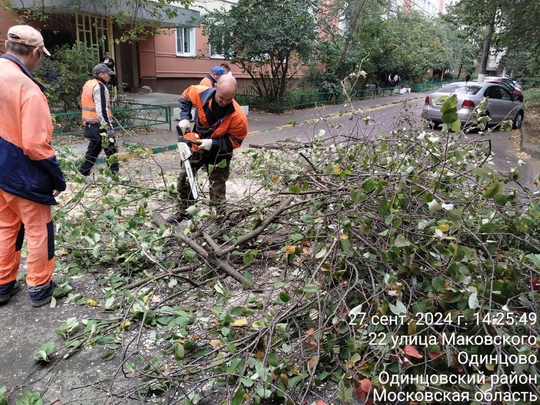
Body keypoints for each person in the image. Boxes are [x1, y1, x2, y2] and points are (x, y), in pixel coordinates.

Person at [0, 25, 66, 307]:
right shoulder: (27, 88)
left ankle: (3, 284)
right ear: (36, 52)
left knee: (5, 226)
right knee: (39, 229)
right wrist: (56, 175)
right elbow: (35, 145)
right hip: (21, 171)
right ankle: (40, 286)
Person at [167, 75, 248, 223]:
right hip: (196, 144)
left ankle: (219, 218)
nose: (223, 102)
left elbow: (235, 141)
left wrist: (213, 144)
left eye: (228, 100)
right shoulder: (201, 93)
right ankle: (185, 210)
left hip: (220, 153)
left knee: (217, 186)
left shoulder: (238, 117)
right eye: (221, 98)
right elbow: (185, 96)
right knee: (184, 177)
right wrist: (184, 117)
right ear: (215, 87)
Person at [79, 63, 119, 176]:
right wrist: (108, 127)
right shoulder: (99, 86)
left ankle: (83, 172)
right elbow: (101, 109)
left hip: (91, 124)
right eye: (108, 74)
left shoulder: (88, 84)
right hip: (101, 125)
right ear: (101, 74)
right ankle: (114, 174)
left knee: (94, 150)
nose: (110, 77)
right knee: (111, 150)